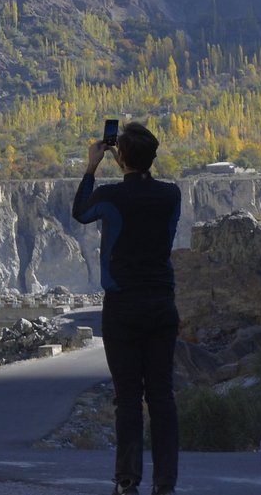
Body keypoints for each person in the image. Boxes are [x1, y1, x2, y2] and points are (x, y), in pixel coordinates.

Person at [72, 121, 182, 495]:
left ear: (119, 157)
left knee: (128, 400)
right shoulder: (172, 195)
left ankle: (127, 481)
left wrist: (91, 166)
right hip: (162, 303)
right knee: (163, 397)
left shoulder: (111, 196)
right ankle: (165, 483)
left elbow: (81, 213)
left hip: (123, 306)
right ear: (152, 157)